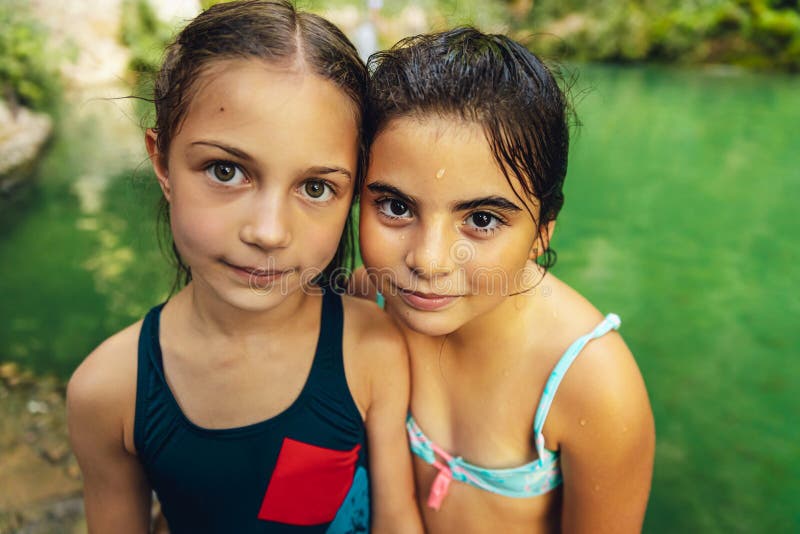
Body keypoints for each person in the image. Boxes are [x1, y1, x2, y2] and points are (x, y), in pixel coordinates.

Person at [66, 2, 422, 532]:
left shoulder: (371, 348)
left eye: (316, 187)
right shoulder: (108, 390)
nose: (269, 231)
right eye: (226, 170)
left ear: (353, 195)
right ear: (162, 162)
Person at [355, 27, 655, 532]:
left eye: (483, 219)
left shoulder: (591, 384)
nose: (429, 262)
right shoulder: (371, 299)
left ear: (541, 232)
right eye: (396, 206)